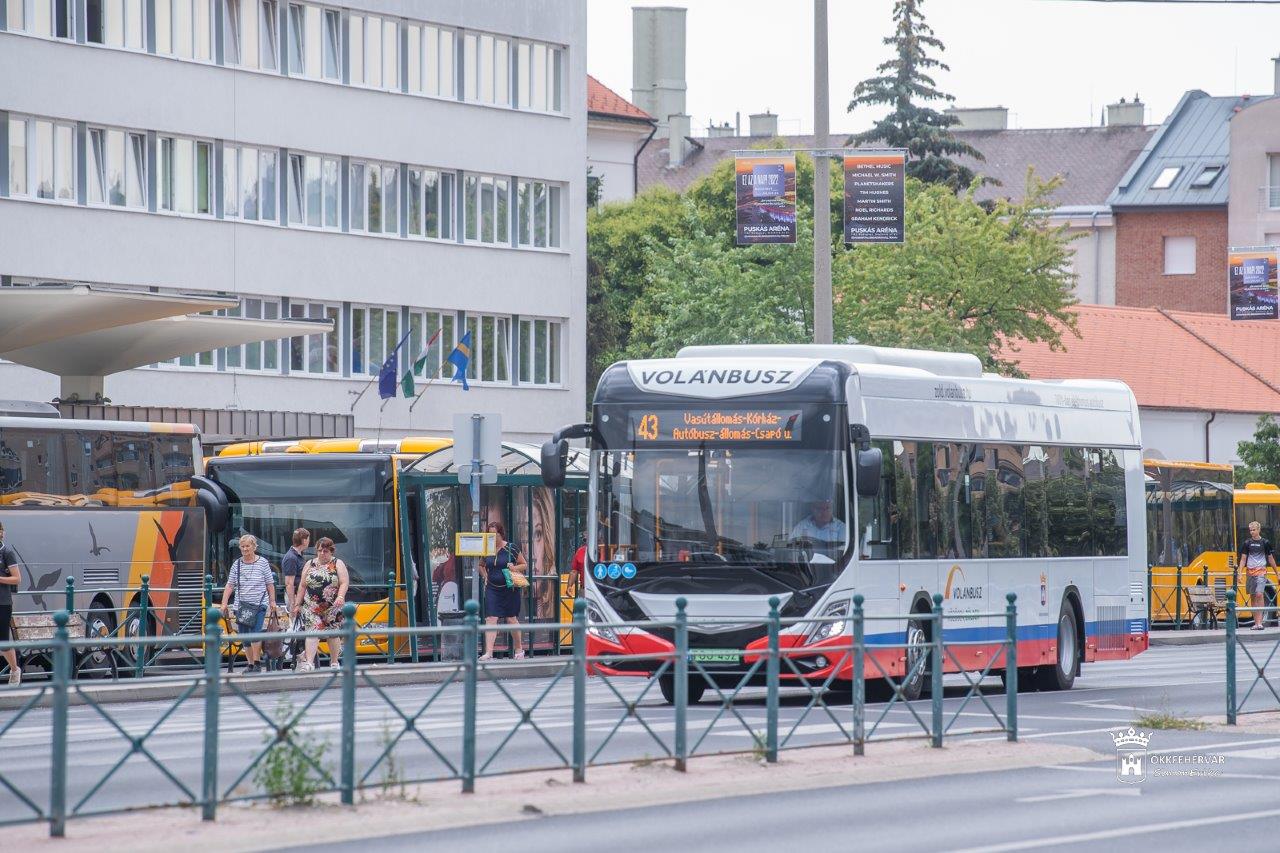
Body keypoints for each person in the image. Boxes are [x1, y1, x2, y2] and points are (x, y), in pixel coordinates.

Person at [218, 534, 277, 673]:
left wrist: (272, 601)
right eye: (242, 546)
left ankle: (257, 663)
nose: (245, 549)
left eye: (247, 546)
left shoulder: (263, 562)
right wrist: (224, 603)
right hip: (241, 606)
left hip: (259, 605)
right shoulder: (237, 564)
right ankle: (250, 664)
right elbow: (230, 585)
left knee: (255, 633)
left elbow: (270, 584)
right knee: (245, 637)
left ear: (254, 547)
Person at [292, 536, 349, 671]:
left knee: (333, 634)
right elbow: (302, 585)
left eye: (325, 551)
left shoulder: (337, 563)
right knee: (312, 632)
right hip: (312, 605)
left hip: (333, 606)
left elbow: (344, 582)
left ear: (331, 551)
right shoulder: (310, 563)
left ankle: (334, 662)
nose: (322, 554)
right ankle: (309, 663)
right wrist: (297, 604)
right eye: (319, 551)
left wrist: (340, 596)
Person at [479, 520, 527, 661]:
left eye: (494, 534)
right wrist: (485, 576)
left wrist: (514, 568)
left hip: (509, 588)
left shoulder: (511, 548)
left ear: (501, 534)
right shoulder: (487, 549)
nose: (492, 538)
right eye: (489, 535)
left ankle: (518, 649)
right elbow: (481, 565)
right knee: (491, 618)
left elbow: (524, 564)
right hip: (492, 588)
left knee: (511, 618)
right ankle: (489, 652)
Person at [1239, 521, 1277, 630]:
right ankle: (1256, 623)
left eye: (1254, 530)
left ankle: (1260, 623)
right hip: (1250, 573)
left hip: (1261, 572)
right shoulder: (1247, 543)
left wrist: (1277, 573)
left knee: (1259, 594)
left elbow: (1270, 559)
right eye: (1250, 530)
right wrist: (1240, 573)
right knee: (1253, 596)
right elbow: (1243, 559)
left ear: (1259, 530)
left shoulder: (1265, 543)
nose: (1252, 532)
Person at [0, 522, 21, 685]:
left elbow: (17, 578)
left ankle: (15, 670)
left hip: (3, 602)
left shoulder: (6, 552)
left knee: (3, 641)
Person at [281, 528, 310, 611]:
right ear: (304, 541)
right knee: (296, 623)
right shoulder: (291, 558)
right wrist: (293, 603)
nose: (309, 541)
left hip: (300, 597)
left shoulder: (298, 555)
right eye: (308, 539)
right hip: (296, 599)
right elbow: (289, 583)